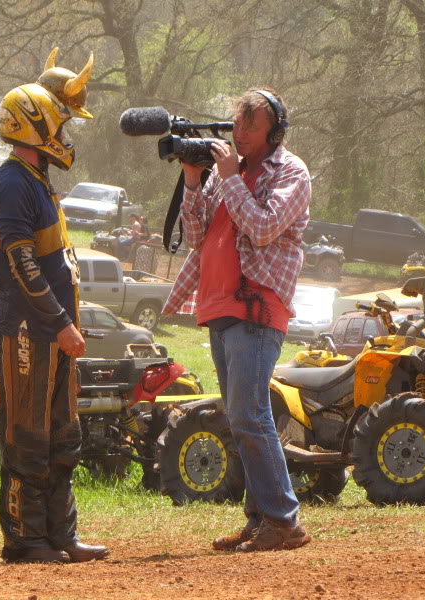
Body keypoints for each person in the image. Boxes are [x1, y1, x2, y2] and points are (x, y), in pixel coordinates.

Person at [163, 88, 312, 553]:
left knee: (250, 413)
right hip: (220, 305)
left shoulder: (290, 171)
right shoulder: (227, 174)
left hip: (258, 305)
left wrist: (228, 177)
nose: (238, 134)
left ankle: (283, 520)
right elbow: (196, 237)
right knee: (240, 416)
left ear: (274, 132)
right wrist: (192, 181)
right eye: (236, 123)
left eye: (249, 126)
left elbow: (265, 228)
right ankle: (260, 519)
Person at [0, 47, 108, 564]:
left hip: (52, 333)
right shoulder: (11, 183)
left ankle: (61, 534)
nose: (66, 134)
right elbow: (22, 266)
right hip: (28, 330)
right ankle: (24, 538)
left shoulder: (36, 180)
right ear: (36, 128)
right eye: (59, 123)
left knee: (63, 437)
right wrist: (60, 324)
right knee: (28, 438)